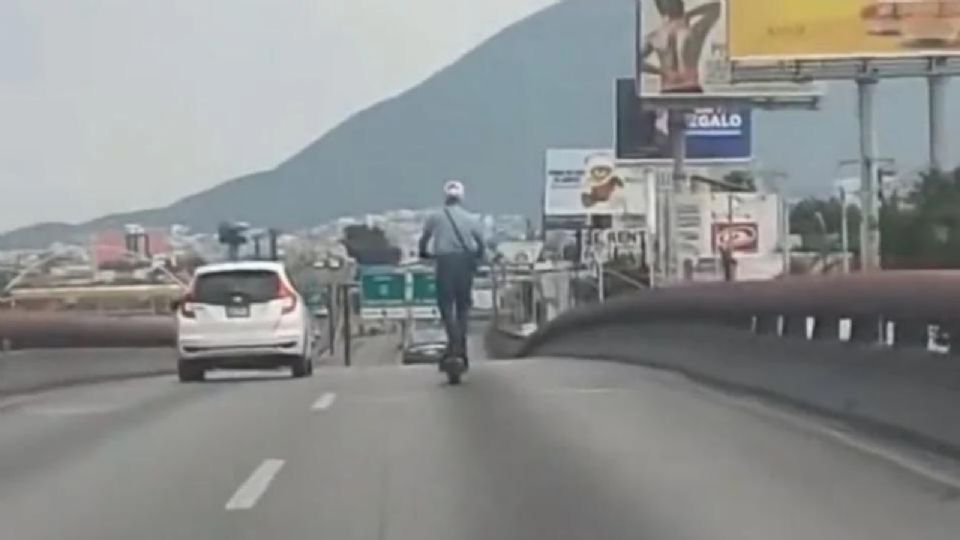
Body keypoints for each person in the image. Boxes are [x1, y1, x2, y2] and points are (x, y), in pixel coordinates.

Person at [419, 180, 485, 370]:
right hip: (464, 263)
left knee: (446, 305)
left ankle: (453, 342)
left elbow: (424, 241)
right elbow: (481, 245)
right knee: (463, 307)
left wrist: (424, 253)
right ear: (461, 197)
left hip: (445, 263)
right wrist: (478, 259)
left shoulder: (435, 217)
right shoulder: (471, 218)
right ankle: (461, 347)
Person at [640, 0, 721, 93]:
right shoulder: (693, 31)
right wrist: (690, 14)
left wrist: (661, 71)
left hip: (669, 88)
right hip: (689, 86)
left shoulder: (655, 36)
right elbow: (716, 8)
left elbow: (636, 63)